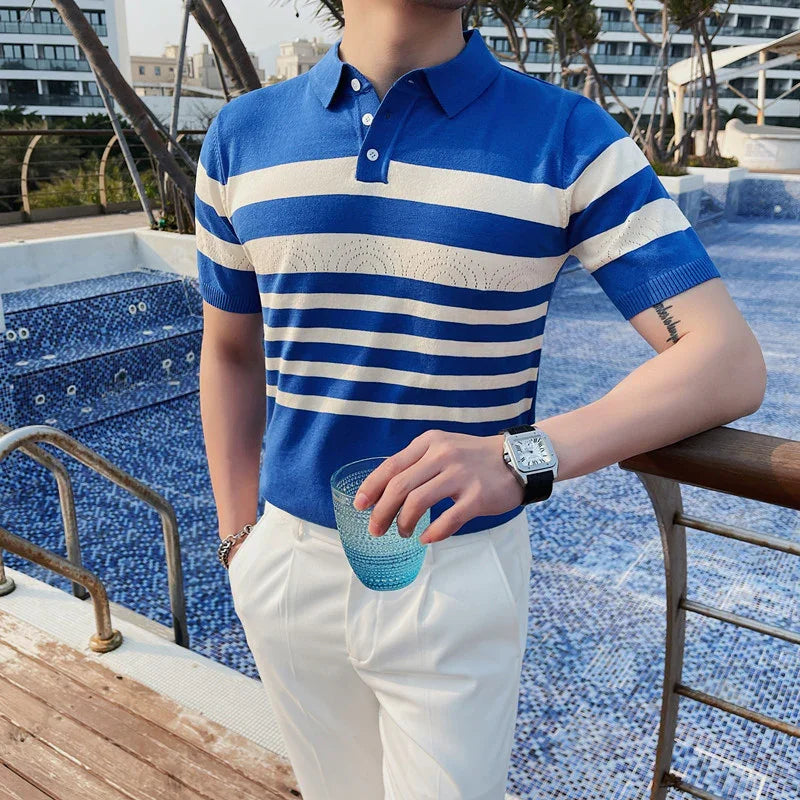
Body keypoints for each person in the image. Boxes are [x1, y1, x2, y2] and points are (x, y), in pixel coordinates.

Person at [194, 1, 766, 798]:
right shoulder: (241, 137)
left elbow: (726, 360)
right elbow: (228, 352)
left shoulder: (565, 136)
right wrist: (239, 543)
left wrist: (523, 457)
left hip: (455, 569)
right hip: (287, 566)